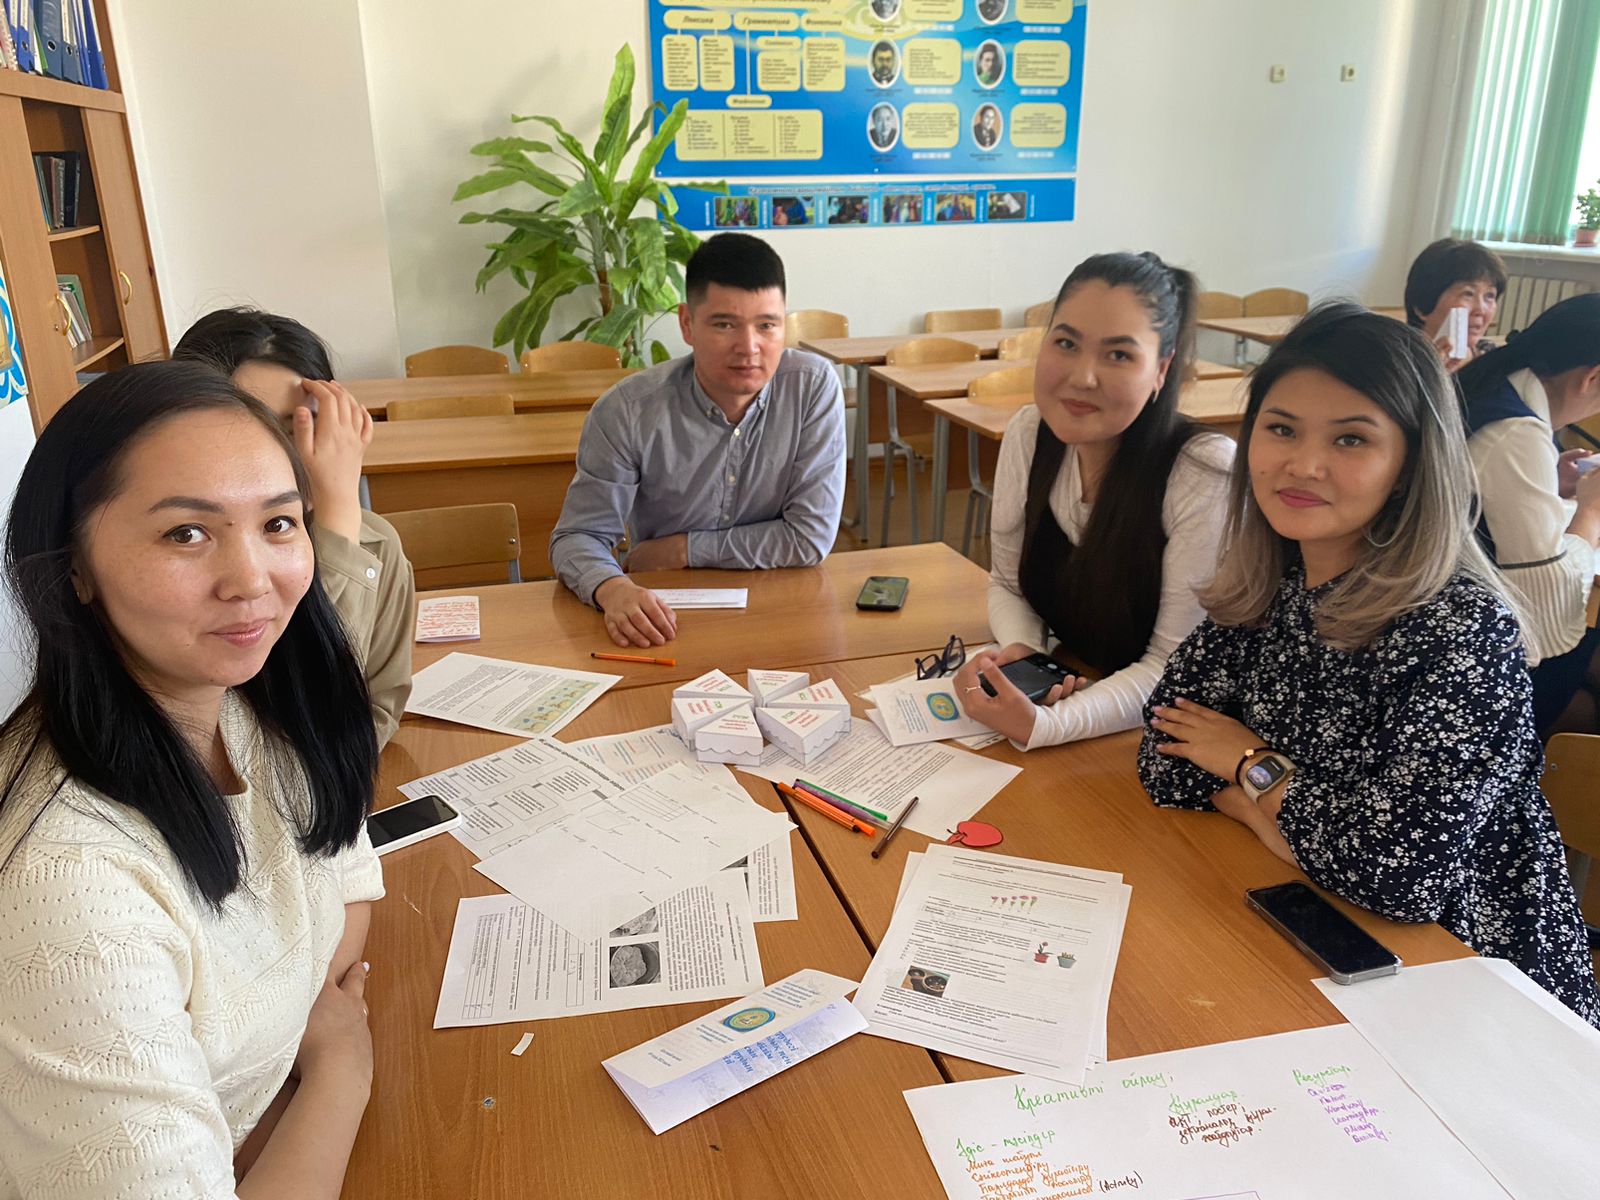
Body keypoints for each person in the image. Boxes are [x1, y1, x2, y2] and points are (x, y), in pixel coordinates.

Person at [1137, 303, 1599, 1026]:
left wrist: (1248, 763)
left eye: (1351, 438)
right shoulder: (1274, 584)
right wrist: (1287, 825)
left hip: (1469, 977)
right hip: (1314, 926)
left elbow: (1399, 879)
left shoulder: (1463, 630)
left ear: (1410, 464)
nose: (1303, 464)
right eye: (1281, 429)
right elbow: (1164, 762)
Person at [0, 361, 385, 1195]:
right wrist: (339, 1066)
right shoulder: (65, 881)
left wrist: (299, 1039)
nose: (252, 579)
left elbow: (348, 877)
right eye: (186, 533)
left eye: (278, 523)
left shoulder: (249, 705)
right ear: (74, 566)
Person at [952, 252, 1234, 748]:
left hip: (1165, 736)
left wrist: (1046, 724)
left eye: (1119, 355)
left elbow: (1171, 666)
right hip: (1088, 692)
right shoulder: (1030, 432)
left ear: (1161, 369)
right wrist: (1026, 656)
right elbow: (1008, 584)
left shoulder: (1202, 470)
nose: (1083, 377)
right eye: (1066, 343)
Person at [548, 233, 846, 649]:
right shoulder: (627, 410)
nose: (749, 348)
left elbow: (809, 537)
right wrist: (612, 589)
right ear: (687, 323)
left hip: (782, 607)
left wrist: (683, 549)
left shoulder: (812, 387)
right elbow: (578, 536)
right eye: (725, 324)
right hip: (667, 615)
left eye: (767, 325)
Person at [173, 308, 414, 747]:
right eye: (254, 430)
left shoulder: (376, 545)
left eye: (301, 427)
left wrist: (340, 520)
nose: (288, 456)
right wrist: (338, 515)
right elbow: (288, 723)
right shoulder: (181, 559)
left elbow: (376, 710)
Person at [1457, 293, 1600, 735]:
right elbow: (1546, 593)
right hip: (1471, 647)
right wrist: (1592, 509)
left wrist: (1549, 483)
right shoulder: (1516, 433)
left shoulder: (1499, 383)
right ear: (1593, 377)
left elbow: (1484, 498)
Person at [1403, 237, 1507, 370]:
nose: (1481, 309)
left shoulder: (1489, 357)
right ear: (1422, 306)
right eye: (1468, 294)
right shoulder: (1397, 361)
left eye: (1489, 296)